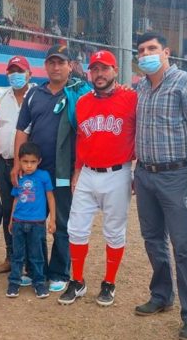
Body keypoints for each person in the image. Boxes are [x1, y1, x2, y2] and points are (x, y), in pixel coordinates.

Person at [132, 32, 187, 340]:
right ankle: (161, 294)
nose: (146, 54)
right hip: (144, 174)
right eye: (141, 50)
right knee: (152, 238)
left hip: (176, 175)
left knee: (184, 245)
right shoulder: (140, 87)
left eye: (152, 48)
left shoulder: (186, 83)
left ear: (166, 52)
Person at [58, 50, 137, 307]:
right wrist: (77, 170)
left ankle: (109, 282)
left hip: (118, 173)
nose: (99, 74)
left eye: (104, 68)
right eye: (95, 69)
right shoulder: (82, 102)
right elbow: (82, 138)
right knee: (76, 229)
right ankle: (78, 281)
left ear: (115, 71)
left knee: (114, 232)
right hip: (88, 173)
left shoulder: (131, 98)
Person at [12, 44, 92, 292]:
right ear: (45, 66)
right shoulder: (34, 95)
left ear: (70, 66)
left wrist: (79, 168)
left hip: (63, 172)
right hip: (33, 173)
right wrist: (17, 164)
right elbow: (21, 131)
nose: (56, 67)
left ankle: (58, 271)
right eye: (51, 62)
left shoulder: (79, 93)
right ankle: (33, 268)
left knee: (61, 221)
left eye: (61, 62)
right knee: (31, 220)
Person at [0, 56, 34, 273]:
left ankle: (32, 260)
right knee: (8, 211)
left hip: (30, 167)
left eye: (20, 70)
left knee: (31, 212)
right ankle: (11, 255)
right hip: (4, 164)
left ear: (29, 73)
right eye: (12, 71)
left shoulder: (38, 95)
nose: (16, 74)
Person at [5, 142, 55, 299]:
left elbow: (50, 198)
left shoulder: (44, 176)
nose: (29, 166)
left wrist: (53, 219)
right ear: (19, 161)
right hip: (19, 222)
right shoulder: (18, 178)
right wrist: (11, 219)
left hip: (37, 223)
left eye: (33, 162)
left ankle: (39, 283)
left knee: (37, 255)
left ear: (39, 161)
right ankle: (14, 281)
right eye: (25, 162)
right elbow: (16, 199)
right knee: (17, 255)